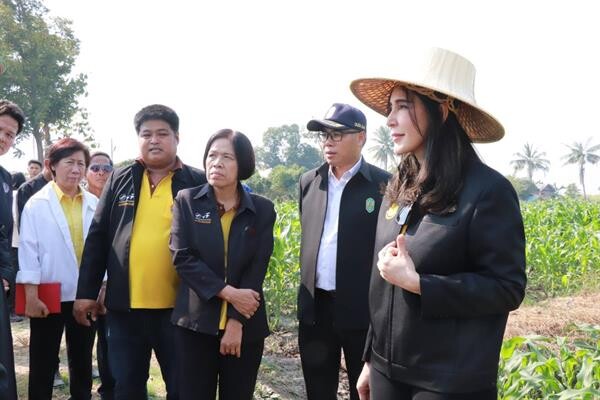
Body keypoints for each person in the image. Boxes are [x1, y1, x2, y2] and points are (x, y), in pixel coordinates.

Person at [349, 47, 527, 399]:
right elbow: (383, 281)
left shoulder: (488, 191)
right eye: (390, 108)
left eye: (403, 106)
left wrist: (421, 284)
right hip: (387, 371)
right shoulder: (398, 186)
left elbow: (507, 287)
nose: (390, 119)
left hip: (447, 381)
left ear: (441, 110)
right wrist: (371, 358)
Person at [74, 104, 206, 400]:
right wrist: (86, 293)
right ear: (139, 140)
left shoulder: (197, 182)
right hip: (125, 309)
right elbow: (97, 238)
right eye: (146, 134)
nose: (154, 140)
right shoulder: (120, 179)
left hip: (181, 310)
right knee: (127, 387)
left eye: (162, 133)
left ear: (177, 138)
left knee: (184, 387)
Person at [170, 129, 275, 400]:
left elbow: (257, 267)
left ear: (243, 165)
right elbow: (182, 257)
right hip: (195, 324)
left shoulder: (262, 210)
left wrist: (236, 321)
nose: (216, 162)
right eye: (212, 155)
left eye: (227, 157)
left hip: (245, 328)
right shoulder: (187, 200)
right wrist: (229, 294)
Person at [298, 103, 390, 400]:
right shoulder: (309, 182)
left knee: (362, 390)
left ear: (361, 137)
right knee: (318, 390)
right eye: (324, 135)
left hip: (360, 310)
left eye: (337, 134)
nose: (328, 141)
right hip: (316, 310)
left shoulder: (383, 184)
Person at [17, 137, 98, 400]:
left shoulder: (94, 204)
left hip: (85, 294)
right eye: (69, 163)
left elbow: (101, 251)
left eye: (81, 164)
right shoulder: (36, 204)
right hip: (48, 293)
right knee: (42, 360)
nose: (76, 169)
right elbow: (28, 252)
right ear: (52, 165)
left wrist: (103, 286)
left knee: (82, 360)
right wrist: (30, 296)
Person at [84, 151, 115, 400]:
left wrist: (106, 283)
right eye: (95, 168)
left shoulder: (121, 200)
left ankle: (110, 388)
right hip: (82, 285)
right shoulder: (78, 201)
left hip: (112, 285)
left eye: (107, 167)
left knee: (110, 342)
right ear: (86, 172)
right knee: (83, 342)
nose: (101, 172)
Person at [0, 99, 25, 400]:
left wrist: (6, 274)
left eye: (11, 134)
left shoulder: (6, 179)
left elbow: (4, 234)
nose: (4, 139)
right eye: (1, 130)